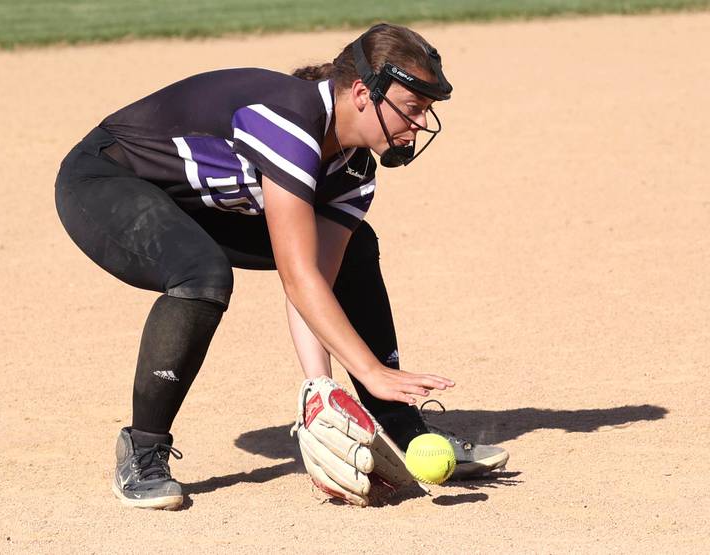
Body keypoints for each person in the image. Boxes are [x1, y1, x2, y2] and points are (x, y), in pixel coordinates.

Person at [54, 22, 508, 511]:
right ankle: (142, 450)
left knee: (355, 245)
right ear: (362, 92)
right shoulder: (290, 119)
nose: (419, 122)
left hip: (196, 206)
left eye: (427, 110)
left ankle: (399, 430)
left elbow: (314, 280)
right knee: (201, 272)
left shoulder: (354, 170)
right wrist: (369, 370)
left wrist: (321, 391)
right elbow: (298, 276)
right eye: (413, 107)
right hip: (104, 183)